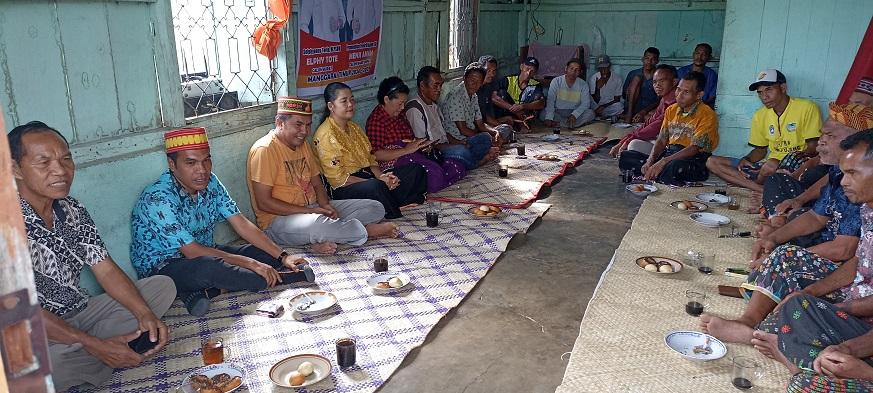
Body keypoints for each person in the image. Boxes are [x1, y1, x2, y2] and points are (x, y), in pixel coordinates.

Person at [8, 121, 175, 391]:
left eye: (66, 159)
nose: (60, 171)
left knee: (161, 287)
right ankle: (104, 350)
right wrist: (94, 345)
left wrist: (144, 313)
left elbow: (105, 269)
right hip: (31, 330)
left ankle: (100, 351)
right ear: (15, 168)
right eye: (44, 162)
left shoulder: (72, 209)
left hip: (81, 312)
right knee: (41, 369)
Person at [698, 104, 870, 345]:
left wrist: (789, 259)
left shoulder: (861, 197)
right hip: (846, 277)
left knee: (787, 269)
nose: (820, 142)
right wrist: (773, 238)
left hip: (855, 294)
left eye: (830, 136)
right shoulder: (841, 180)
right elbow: (817, 218)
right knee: (784, 245)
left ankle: (758, 325)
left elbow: (844, 251)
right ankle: (759, 318)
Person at [131, 127, 314, 317]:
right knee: (216, 269)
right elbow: (192, 252)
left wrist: (283, 256)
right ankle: (285, 278)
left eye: (206, 160)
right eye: (190, 163)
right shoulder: (157, 198)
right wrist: (252, 264)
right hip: (164, 267)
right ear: (172, 164)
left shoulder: (210, 182)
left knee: (264, 252)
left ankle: (205, 292)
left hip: (206, 251)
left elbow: (241, 223)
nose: (201, 170)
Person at [749, 129, 873, 392]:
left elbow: (844, 251)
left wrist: (860, 365)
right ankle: (789, 347)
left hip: (862, 318)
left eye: (852, 173)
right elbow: (860, 260)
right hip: (859, 316)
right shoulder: (868, 208)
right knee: (792, 307)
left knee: (807, 384)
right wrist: (811, 295)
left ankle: (791, 358)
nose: (843, 182)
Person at [247, 97, 397, 256]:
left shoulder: (302, 145)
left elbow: (317, 183)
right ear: (280, 123)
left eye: (308, 125)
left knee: (374, 207)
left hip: (313, 209)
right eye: (298, 124)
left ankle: (327, 237)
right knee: (319, 225)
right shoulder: (265, 150)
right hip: (278, 220)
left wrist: (325, 206)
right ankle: (364, 231)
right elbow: (264, 203)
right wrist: (310, 213)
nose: (304, 132)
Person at [313, 82, 427, 218]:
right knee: (376, 187)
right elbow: (338, 180)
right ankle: (393, 210)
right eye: (344, 101)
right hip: (345, 187)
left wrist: (382, 177)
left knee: (415, 170)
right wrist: (378, 182)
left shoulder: (354, 128)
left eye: (352, 100)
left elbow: (371, 160)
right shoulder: (325, 134)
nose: (350, 104)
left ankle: (389, 202)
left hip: (369, 177)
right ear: (331, 106)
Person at [706, 69, 822, 192]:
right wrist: (747, 159)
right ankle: (761, 187)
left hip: (796, 165)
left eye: (769, 89)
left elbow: (813, 148)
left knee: (771, 165)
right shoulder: (760, 115)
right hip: (767, 167)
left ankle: (752, 183)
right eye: (760, 93)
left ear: (783, 88)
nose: (764, 97)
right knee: (712, 162)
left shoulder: (807, 107)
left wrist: (786, 160)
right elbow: (760, 150)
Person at [366, 76, 465, 192]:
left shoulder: (400, 115)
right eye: (400, 103)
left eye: (404, 103)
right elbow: (376, 155)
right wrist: (406, 150)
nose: (403, 108)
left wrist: (421, 144)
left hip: (412, 155)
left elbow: (409, 140)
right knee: (434, 175)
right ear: (387, 99)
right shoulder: (376, 121)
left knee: (457, 165)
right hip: (396, 163)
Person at [406, 66, 494, 171]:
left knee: (485, 138)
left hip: (448, 144)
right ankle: (477, 162)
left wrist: (457, 142)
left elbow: (444, 133)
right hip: (434, 151)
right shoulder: (415, 108)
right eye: (435, 85)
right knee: (461, 152)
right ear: (422, 86)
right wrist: (451, 147)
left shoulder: (434, 105)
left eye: (440, 85)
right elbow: (422, 145)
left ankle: (467, 159)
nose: (439, 89)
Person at [638, 71, 718, 185]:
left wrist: (664, 161)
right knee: (628, 157)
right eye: (678, 89)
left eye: (686, 92)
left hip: (693, 160)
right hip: (669, 154)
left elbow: (694, 148)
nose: (679, 95)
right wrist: (650, 161)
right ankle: (657, 175)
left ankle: (657, 177)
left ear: (699, 95)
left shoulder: (707, 114)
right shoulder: (671, 110)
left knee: (674, 167)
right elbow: (661, 140)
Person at [613, 64, 678, 164]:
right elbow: (649, 123)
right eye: (655, 82)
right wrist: (624, 140)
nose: (657, 85)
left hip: (674, 148)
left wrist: (627, 141)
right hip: (662, 141)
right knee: (633, 142)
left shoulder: (675, 102)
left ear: (674, 82)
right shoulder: (664, 99)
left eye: (662, 81)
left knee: (633, 145)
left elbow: (655, 127)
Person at [441, 62, 504, 162]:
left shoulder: (474, 95)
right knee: (484, 140)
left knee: (502, 131)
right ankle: (481, 157)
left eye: (478, 81)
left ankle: (484, 151)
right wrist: (487, 138)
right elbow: (463, 129)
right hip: (458, 140)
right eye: (472, 80)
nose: (474, 84)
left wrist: (495, 132)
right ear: (464, 78)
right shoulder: (456, 96)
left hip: (471, 136)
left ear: (482, 82)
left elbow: (480, 124)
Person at [492, 56, 546, 129]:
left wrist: (523, 106)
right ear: (521, 67)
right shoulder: (507, 80)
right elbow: (494, 98)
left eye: (532, 71)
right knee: (502, 93)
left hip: (525, 115)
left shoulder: (535, 84)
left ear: (535, 73)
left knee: (537, 98)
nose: (528, 73)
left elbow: (541, 103)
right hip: (508, 112)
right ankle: (517, 123)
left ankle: (522, 123)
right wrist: (514, 110)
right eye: (527, 69)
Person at [542, 58, 595, 128]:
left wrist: (574, 115)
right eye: (571, 68)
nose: (573, 72)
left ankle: (560, 124)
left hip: (575, 112)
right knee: (543, 113)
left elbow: (586, 104)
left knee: (591, 113)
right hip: (558, 111)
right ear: (566, 68)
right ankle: (570, 125)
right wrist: (549, 117)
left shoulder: (583, 84)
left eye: (577, 70)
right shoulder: (556, 81)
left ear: (580, 72)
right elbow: (550, 101)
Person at [623, 47, 660, 123]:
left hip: (649, 109)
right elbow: (624, 95)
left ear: (657, 61)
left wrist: (643, 111)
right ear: (642, 59)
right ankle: (629, 114)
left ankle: (638, 117)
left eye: (653, 59)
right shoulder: (633, 73)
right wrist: (629, 91)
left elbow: (660, 99)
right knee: (637, 78)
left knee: (649, 118)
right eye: (647, 58)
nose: (649, 62)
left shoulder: (659, 75)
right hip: (633, 107)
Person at [476, 55, 514, 127]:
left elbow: (489, 110)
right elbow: (480, 115)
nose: (492, 74)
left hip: (486, 119)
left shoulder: (488, 85)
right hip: (478, 123)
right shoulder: (474, 88)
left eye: (494, 71)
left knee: (503, 94)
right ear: (480, 70)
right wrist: (499, 125)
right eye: (488, 71)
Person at [588, 55, 624, 121]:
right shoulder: (594, 78)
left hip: (608, 106)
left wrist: (604, 106)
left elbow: (617, 99)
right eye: (601, 68)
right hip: (596, 106)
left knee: (620, 106)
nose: (603, 70)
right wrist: (598, 88)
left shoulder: (617, 79)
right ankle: (607, 115)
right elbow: (594, 100)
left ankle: (601, 115)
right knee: (589, 103)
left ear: (609, 66)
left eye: (605, 67)